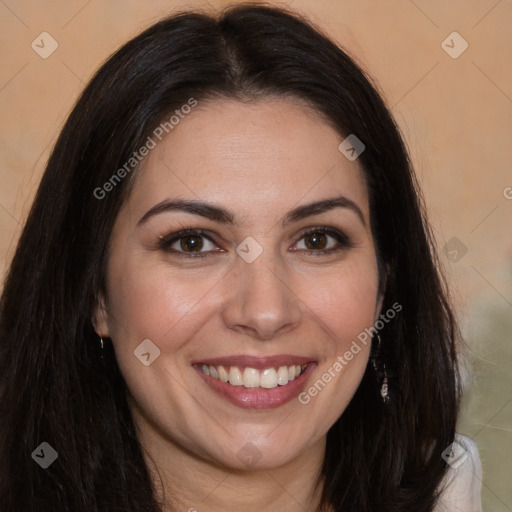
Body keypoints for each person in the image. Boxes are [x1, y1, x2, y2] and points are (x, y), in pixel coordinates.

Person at [0, 4, 482, 511]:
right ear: (95, 290)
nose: (265, 312)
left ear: (385, 278)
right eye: (193, 242)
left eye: (317, 240)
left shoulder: (451, 495)